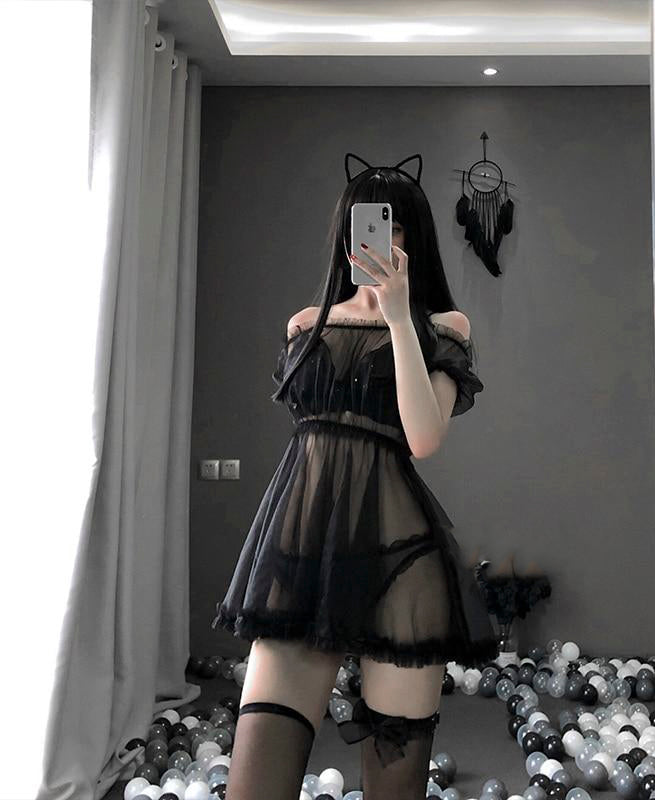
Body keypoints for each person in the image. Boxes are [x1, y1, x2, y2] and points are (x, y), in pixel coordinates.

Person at [211, 153, 498, 799]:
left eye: (393, 225)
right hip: (300, 555)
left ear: (414, 236)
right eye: (366, 223)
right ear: (347, 231)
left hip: (401, 564)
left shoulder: (443, 328)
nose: (379, 239)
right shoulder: (305, 324)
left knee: (394, 788)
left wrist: (398, 317)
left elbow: (423, 438)